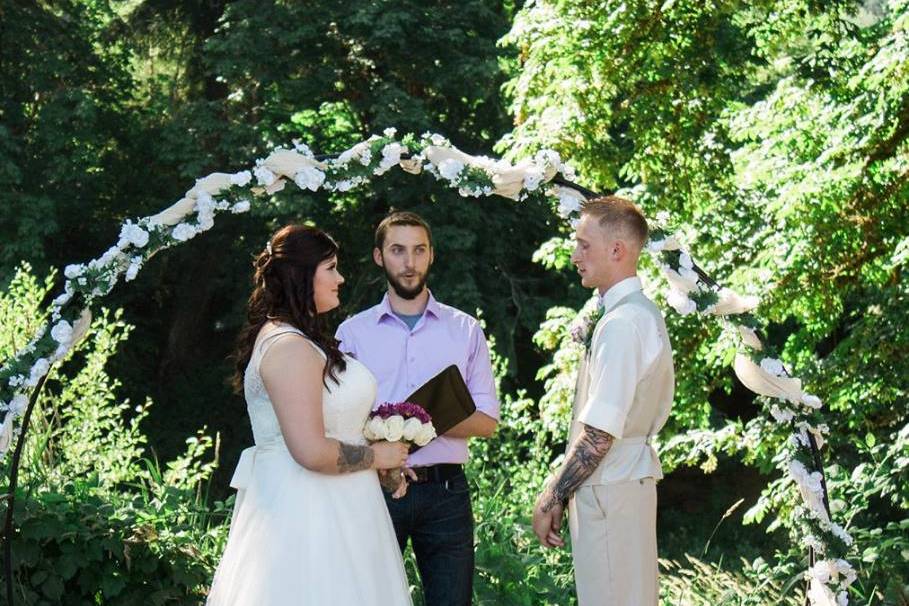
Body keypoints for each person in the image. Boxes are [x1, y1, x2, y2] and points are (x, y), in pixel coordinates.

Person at [207, 224, 412, 605]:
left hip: (341, 509)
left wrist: (377, 457)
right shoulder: (288, 348)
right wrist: (377, 456)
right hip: (306, 516)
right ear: (302, 275)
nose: (340, 278)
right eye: (331, 268)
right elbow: (310, 450)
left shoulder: (301, 340)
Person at [336, 211, 499, 606]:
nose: (409, 263)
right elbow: (338, 423)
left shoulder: (465, 331)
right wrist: (383, 451)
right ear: (379, 257)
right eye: (397, 250)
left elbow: (487, 422)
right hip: (372, 489)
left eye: (418, 250)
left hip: (446, 493)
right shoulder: (352, 334)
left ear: (431, 256)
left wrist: (419, 421)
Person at [532, 196, 675, 606]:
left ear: (617, 250)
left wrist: (551, 496)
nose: (575, 254)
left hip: (611, 489)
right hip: (619, 484)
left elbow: (598, 437)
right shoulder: (635, 313)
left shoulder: (623, 324)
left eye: (583, 244)